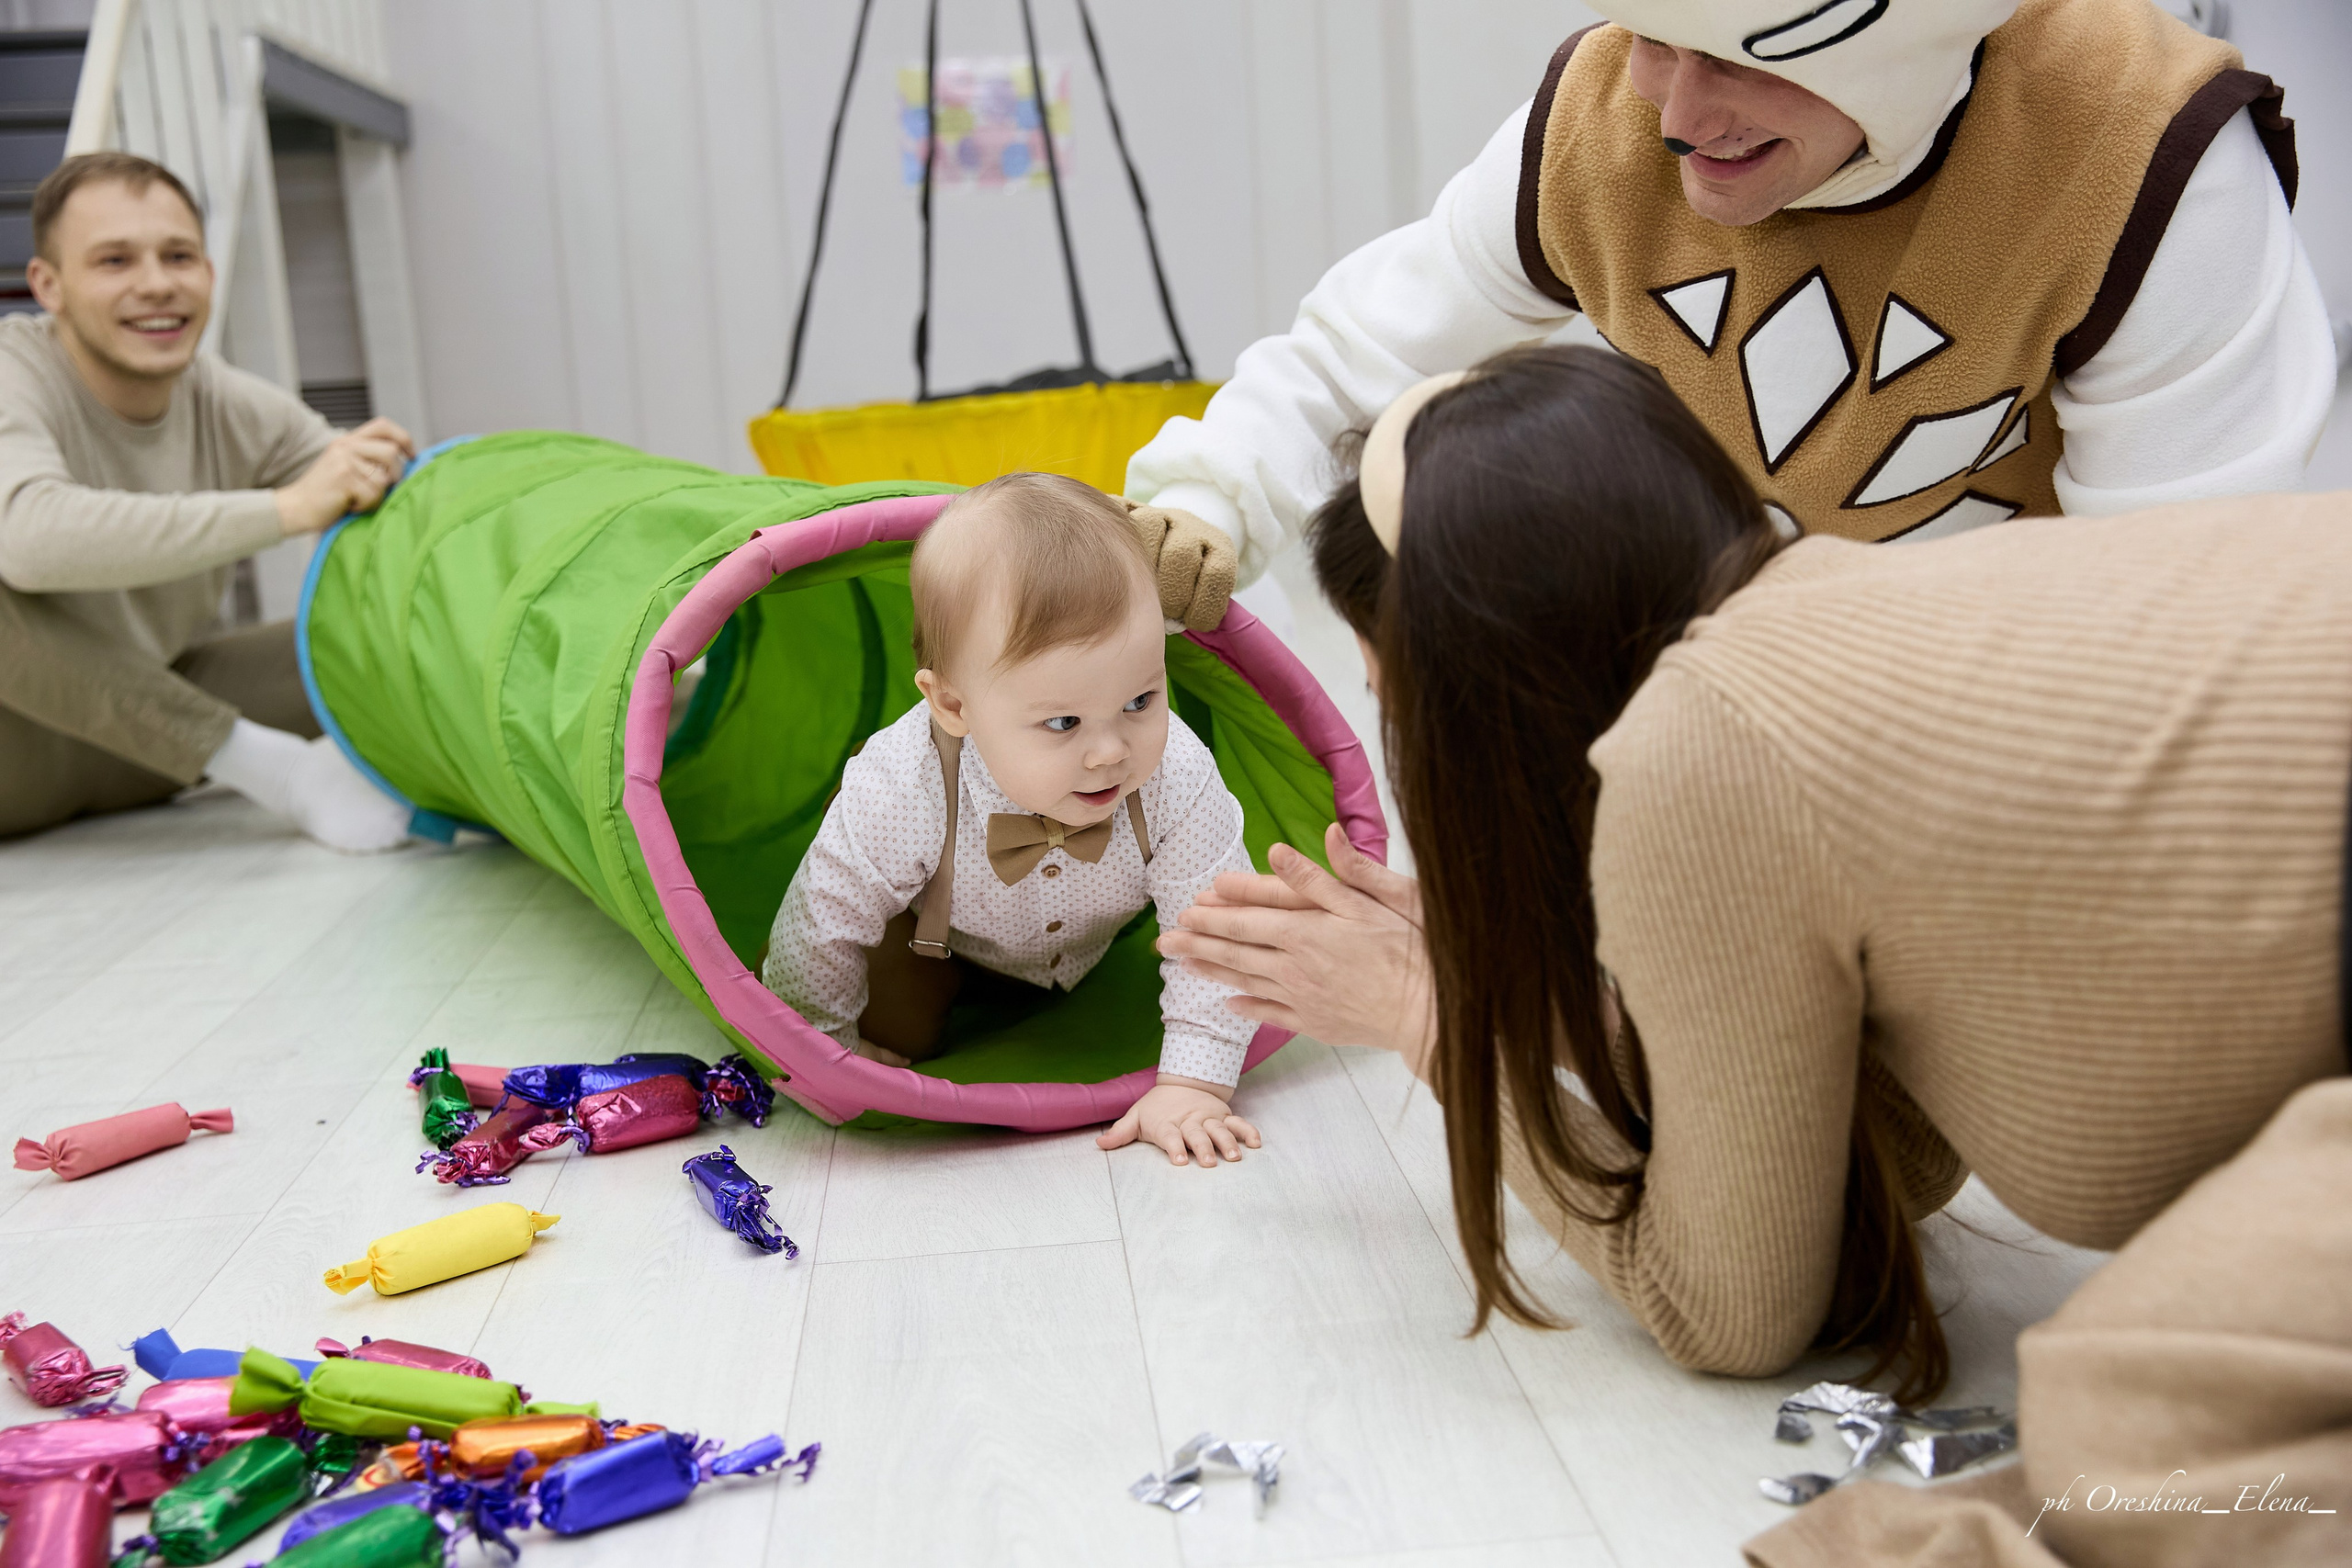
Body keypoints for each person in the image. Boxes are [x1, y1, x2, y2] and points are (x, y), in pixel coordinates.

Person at [1168, 344, 2352, 1562]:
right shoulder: (1843, 605)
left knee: (2129, 1429)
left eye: (1393, 691)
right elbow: (1866, 1138)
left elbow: (1728, 1309)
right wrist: (1511, 996)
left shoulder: (1703, 748)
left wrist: (1435, 1020)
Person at [1119, 0, 2334, 620]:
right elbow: (1367, 345)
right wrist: (1212, 494)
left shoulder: (2138, 160)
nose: (1676, 113)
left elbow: (2182, 606)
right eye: (1654, 35)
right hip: (1725, 713)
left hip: (2021, 740)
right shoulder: (1610, 112)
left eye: (1745, 59)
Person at [761, 472, 1261, 1168]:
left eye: (1140, 700)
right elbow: (820, 921)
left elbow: (1219, 927)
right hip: (934, 934)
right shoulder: (905, 783)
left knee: (1182, 943)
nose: (1111, 752)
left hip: (1086, 948)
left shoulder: (1175, 770)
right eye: (1063, 722)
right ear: (954, 706)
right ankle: (844, 859)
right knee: (903, 1027)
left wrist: (1193, 1082)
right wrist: (822, 1052)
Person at [0, 151, 416, 850]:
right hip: (17, 761)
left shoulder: (223, 399)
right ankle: (279, 772)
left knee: (375, 633)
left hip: (138, 734)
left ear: (209, 273)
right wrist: (286, 510)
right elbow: (28, 540)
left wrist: (385, 471)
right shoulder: (15, 372)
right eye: (114, 261)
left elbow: (365, 486)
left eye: (179, 256)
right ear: (49, 285)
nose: (157, 284)